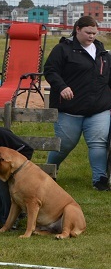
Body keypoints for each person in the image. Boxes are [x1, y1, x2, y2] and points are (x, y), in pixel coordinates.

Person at [44, 16, 111, 191]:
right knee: (65, 144)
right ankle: (48, 173)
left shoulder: (102, 53)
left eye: (94, 33)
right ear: (78, 29)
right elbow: (50, 71)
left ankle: (99, 180)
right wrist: (62, 87)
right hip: (69, 109)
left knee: (98, 143)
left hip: (99, 109)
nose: (92, 36)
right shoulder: (62, 49)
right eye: (88, 32)